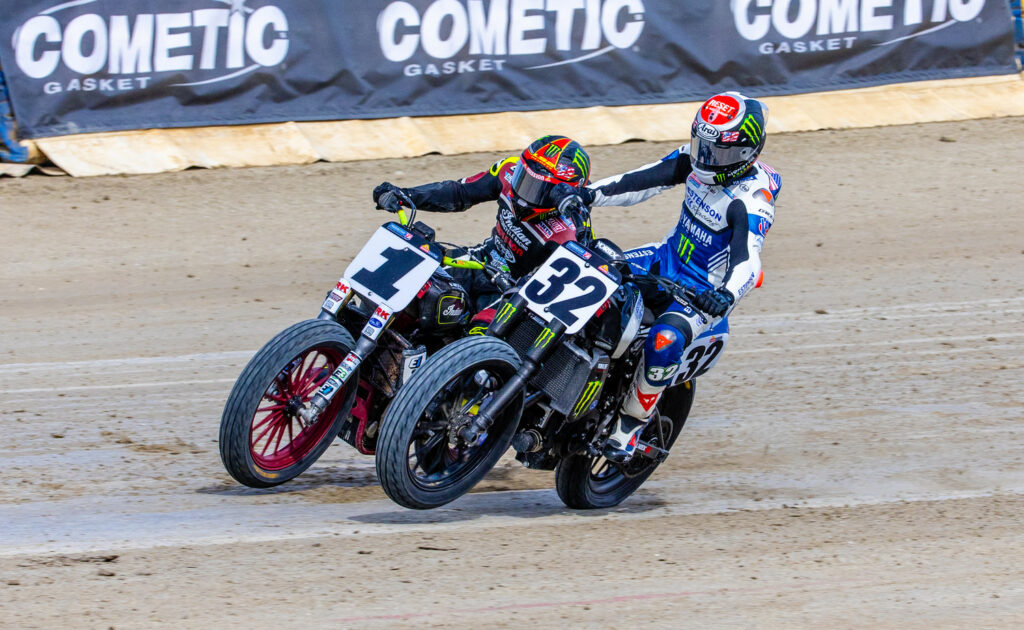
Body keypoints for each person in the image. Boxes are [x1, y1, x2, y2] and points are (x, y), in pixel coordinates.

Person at [552, 92, 781, 462]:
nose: (705, 158)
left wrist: (725, 295)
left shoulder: (751, 199)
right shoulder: (697, 161)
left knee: (663, 340)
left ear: (746, 153)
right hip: (663, 260)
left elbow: (749, 261)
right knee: (587, 267)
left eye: (717, 153)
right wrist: (589, 194)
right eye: (702, 145)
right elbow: (642, 180)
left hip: (701, 293)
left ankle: (629, 424)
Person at [373, 135, 594, 309]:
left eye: (537, 188)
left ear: (561, 195)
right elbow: (460, 193)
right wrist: (405, 195)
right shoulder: (508, 169)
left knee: (475, 338)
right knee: (408, 286)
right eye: (524, 178)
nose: (522, 191)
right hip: (477, 261)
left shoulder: (574, 231)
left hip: (512, 294)